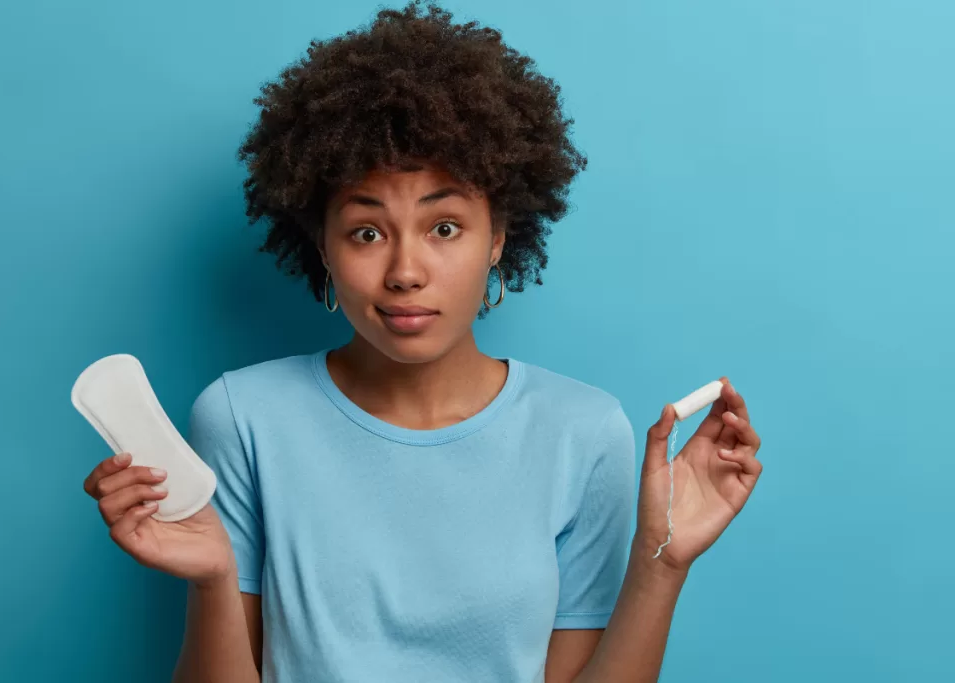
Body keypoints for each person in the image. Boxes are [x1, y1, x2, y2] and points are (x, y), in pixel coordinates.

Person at [81, 2, 763, 681]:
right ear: (323, 245)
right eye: (367, 232)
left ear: (498, 237)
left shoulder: (584, 434)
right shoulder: (243, 418)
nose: (406, 272)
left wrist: (661, 560)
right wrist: (212, 580)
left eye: (444, 228)